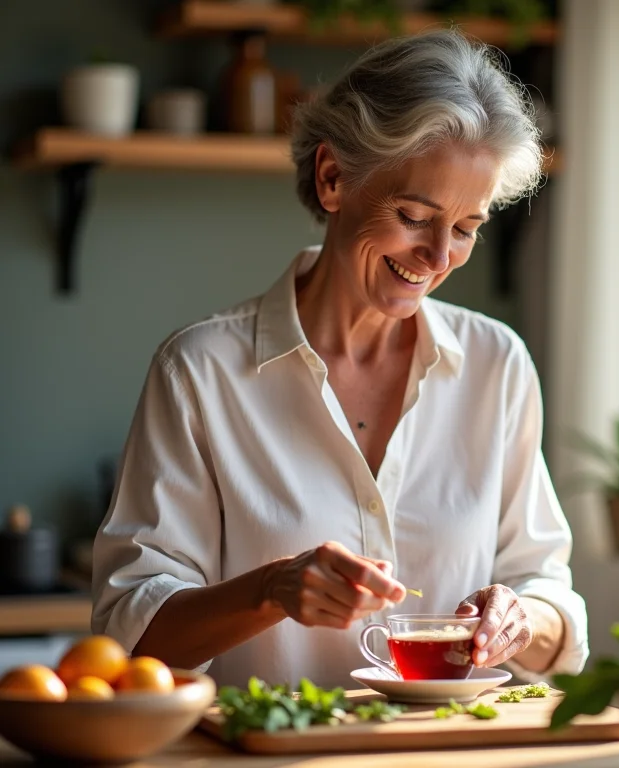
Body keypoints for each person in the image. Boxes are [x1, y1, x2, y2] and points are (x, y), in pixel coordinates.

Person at [91, 29, 588, 689]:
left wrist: (522, 616)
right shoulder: (200, 373)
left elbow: (549, 591)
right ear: (333, 178)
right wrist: (271, 589)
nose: (440, 258)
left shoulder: (495, 364)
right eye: (414, 215)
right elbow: (129, 632)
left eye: (467, 228)